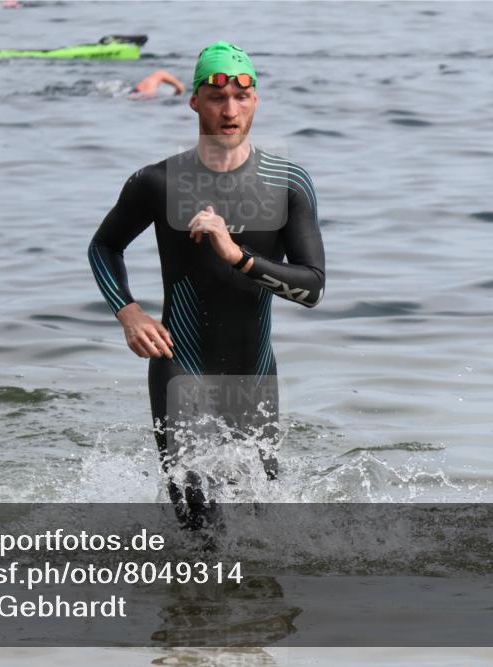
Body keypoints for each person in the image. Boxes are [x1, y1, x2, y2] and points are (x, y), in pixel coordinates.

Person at [89, 41, 325, 528]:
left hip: (254, 373)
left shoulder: (287, 183)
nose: (230, 109)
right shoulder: (158, 182)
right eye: (217, 97)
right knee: (200, 523)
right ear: (194, 101)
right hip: (181, 366)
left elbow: (312, 288)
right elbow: (103, 247)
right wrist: (129, 313)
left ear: (256, 100)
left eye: (242, 96)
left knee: (261, 525)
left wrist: (237, 256)